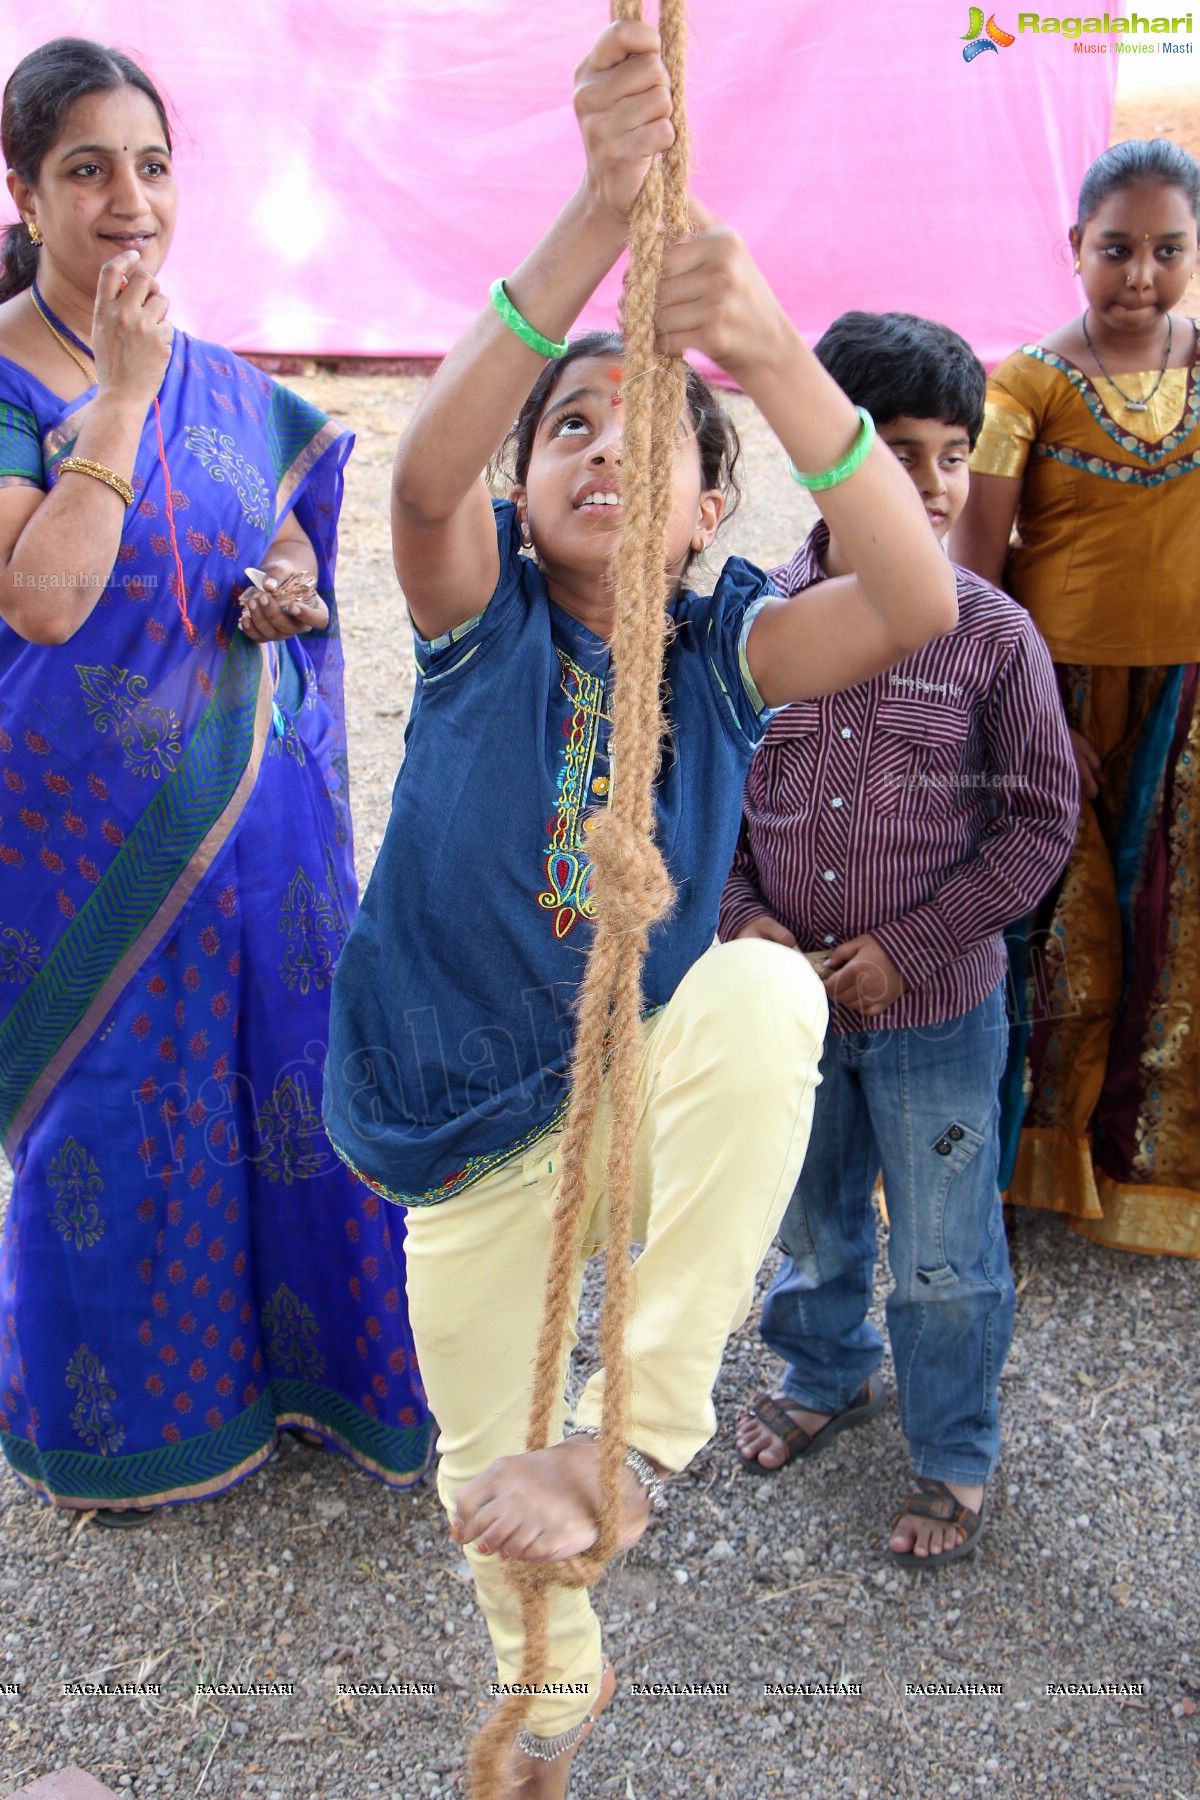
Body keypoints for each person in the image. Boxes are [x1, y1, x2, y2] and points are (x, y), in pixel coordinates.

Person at [323, 23, 957, 1794]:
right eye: (574, 423)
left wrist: (762, 347)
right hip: (456, 1125)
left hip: (629, 1102)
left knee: (770, 999)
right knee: (485, 1491)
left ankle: (640, 1441)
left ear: (706, 515)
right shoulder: (480, 634)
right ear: (535, 497)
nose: (610, 441)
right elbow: (421, 481)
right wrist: (593, 226)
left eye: (657, 424)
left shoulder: (726, 651)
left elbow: (912, 595)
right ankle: (558, 1684)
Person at [0, 37, 434, 1522]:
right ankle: (136, 1436)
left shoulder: (230, 383)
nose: (132, 199)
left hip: (271, 846)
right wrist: (117, 398)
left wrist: (294, 581)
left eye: (154, 165)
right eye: (87, 168)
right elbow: (45, 599)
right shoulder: (15, 379)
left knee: (290, 1097)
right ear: (24, 190)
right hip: (88, 857)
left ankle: (317, 1383)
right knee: (126, 1119)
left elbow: (290, 520)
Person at [724, 311, 1078, 1564]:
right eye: (893, 452)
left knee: (944, 1247)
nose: (928, 486)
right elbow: (706, 809)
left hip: (936, 1015)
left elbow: (1040, 827)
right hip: (792, 1012)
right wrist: (749, 925)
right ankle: (825, 1373)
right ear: (827, 454)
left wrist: (914, 944)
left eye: (952, 456)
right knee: (813, 1213)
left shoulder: (992, 639)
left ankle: (954, 1450)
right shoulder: (758, 623)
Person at [952, 140, 1200, 1259]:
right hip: (1053, 692)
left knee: (1173, 930)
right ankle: (1017, 1163)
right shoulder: (1027, 384)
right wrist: (1023, 715)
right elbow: (975, 564)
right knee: (1060, 935)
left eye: (1167, 249)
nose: (1140, 274)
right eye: (1117, 249)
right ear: (1075, 250)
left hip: (1186, 700)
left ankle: (1139, 1160)